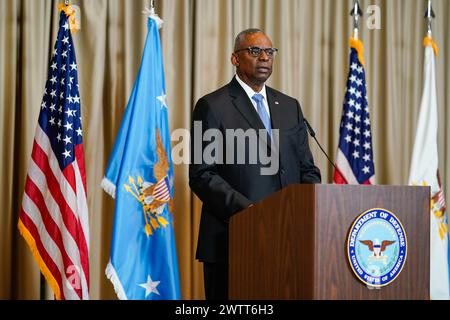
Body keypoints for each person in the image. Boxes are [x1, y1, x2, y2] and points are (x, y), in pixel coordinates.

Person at [189, 28, 321, 300]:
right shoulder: (212, 106)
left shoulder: (289, 106)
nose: (264, 57)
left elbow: (307, 169)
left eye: (269, 52)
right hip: (233, 240)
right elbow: (203, 174)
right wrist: (250, 212)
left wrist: (304, 210)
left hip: (288, 242)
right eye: (254, 51)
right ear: (235, 59)